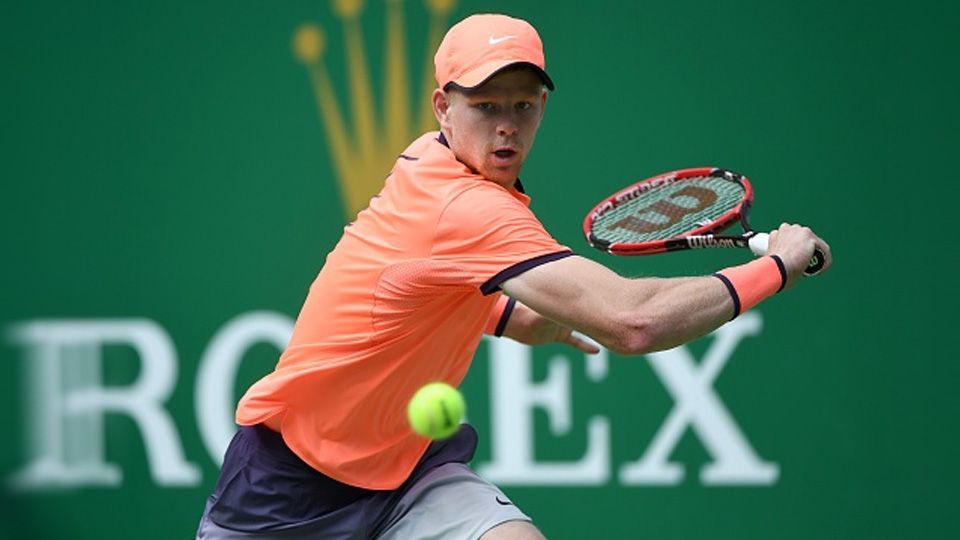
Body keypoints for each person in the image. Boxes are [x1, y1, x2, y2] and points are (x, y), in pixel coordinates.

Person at [195, 12, 832, 540]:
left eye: (524, 105)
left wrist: (537, 323)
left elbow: (452, 290)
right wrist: (775, 269)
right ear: (444, 106)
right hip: (287, 490)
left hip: (406, 473)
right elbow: (633, 323)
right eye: (486, 105)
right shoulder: (466, 208)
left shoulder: (435, 158)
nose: (507, 125)